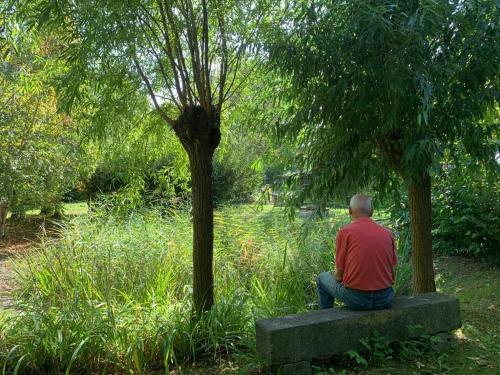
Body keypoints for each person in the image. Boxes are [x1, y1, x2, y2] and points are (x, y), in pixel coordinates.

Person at [316, 194, 397, 310]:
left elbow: (339, 276)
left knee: (322, 278)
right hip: (385, 298)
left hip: (357, 299)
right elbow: (393, 271)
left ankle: (325, 319)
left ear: (349, 211)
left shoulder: (345, 232)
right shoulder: (387, 233)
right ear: (372, 212)